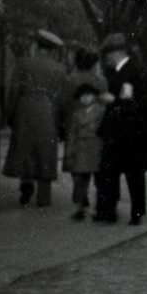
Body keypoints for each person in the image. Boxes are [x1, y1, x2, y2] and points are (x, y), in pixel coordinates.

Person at [94, 33, 147, 225]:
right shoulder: (119, 71)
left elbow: (133, 102)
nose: (106, 58)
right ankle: (110, 211)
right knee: (110, 172)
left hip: (131, 132)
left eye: (108, 53)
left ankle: (136, 212)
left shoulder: (133, 72)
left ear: (117, 52)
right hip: (117, 131)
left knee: (133, 174)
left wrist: (112, 100)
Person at [3, 30, 65, 207]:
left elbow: (14, 91)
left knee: (25, 148)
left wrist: (10, 116)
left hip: (25, 110)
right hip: (48, 111)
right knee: (45, 152)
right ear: (53, 50)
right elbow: (61, 99)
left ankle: (25, 188)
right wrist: (60, 122)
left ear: (38, 45)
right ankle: (44, 198)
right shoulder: (59, 69)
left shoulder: (23, 64)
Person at [61, 48, 109, 220]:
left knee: (78, 170)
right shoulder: (100, 82)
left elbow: (64, 104)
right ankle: (98, 204)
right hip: (96, 134)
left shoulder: (70, 81)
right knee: (98, 171)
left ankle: (81, 202)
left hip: (75, 130)